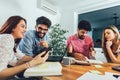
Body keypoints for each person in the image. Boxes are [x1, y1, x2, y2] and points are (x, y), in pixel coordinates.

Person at [0, 16, 48, 80]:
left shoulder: (12, 41)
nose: (25, 30)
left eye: (25, 27)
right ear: (13, 27)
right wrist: (31, 63)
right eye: (22, 26)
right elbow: (1, 74)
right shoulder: (7, 38)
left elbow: (21, 56)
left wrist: (36, 59)